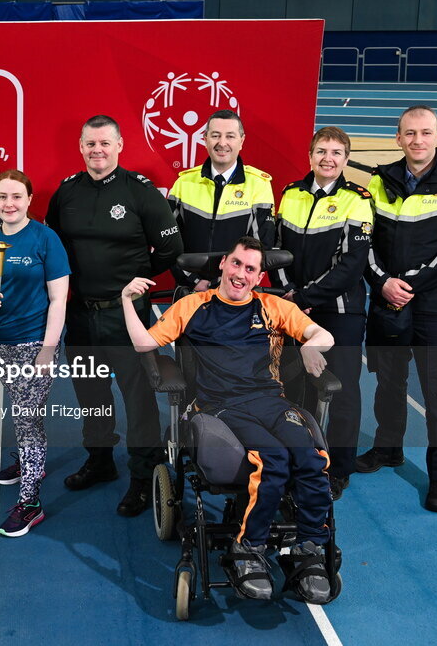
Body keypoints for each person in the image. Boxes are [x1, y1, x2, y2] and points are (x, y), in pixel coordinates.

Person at [122, 237, 336, 604]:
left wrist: (312, 344)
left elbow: (322, 334)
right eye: (237, 264)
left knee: (312, 458)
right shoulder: (193, 305)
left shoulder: (274, 306)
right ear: (223, 264)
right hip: (222, 405)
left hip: (270, 400)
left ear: (258, 277)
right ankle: (247, 549)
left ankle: (310, 548)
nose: (241, 273)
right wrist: (127, 300)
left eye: (250, 269)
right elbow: (145, 344)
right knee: (273, 461)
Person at [45, 114, 183, 517]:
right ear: (81, 146)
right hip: (82, 316)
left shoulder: (140, 193)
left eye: (105, 143)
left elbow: (171, 251)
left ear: (120, 145)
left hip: (128, 318)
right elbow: (53, 248)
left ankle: (143, 476)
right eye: (90, 143)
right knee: (91, 396)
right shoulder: (66, 192)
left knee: (138, 399)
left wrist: (135, 286)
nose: (97, 150)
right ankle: (101, 460)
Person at [356, 105, 437, 513]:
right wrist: (382, 283)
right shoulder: (379, 182)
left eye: (425, 133)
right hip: (388, 303)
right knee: (388, 385)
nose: (418, 140)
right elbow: (364, 242)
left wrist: (409, 285)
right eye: (409, 133)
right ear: (398, 138)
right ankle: (388, 448)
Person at [272, 127, 374, 501]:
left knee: (341, 390)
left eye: (336, 153)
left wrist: (306, 296)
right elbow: (277, 251)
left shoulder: (358, 200)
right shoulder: (291, 194)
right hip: (295, 307)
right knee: (292, 386)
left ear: (346, 159)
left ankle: (339, 470)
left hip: (340, 312)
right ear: (310, 155)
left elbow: (351, 266)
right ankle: (298, 458)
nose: (328, 158)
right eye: (321, 151)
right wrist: (291, 296)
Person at [0, 169, 70, 536]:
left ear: (29, 201)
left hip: (33, 344)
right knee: (22, 410)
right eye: (2, 197)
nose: (8, 204)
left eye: (16, 197)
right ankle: (33, 464)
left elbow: (58, 300)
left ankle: (31, 503)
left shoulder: (45, 238)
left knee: (26, 419)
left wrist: (48, 349)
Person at [167, 109, 275, 290]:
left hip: (237, 291)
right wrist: (195, 282)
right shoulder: (183, 183)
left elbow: (261, 249)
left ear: (241, 140)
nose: (222, 143)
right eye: (215, 135)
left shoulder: (259, 185)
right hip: (188, 291)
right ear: (205, 138)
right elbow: (168, 243)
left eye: (230, 136)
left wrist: (224, 282)